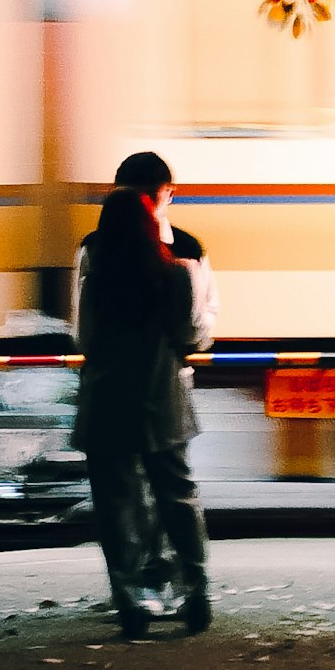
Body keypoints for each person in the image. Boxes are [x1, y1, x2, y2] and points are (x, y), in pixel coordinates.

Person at [72, 150, 217, 635]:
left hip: (107, 398)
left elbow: (84, 338)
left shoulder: (93, 260)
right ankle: (195, 592)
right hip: (164, 398)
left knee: (117, 505)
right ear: (160, 201)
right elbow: (194, 334)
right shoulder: (182, 266)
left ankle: (132, 602)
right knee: (177, 494)